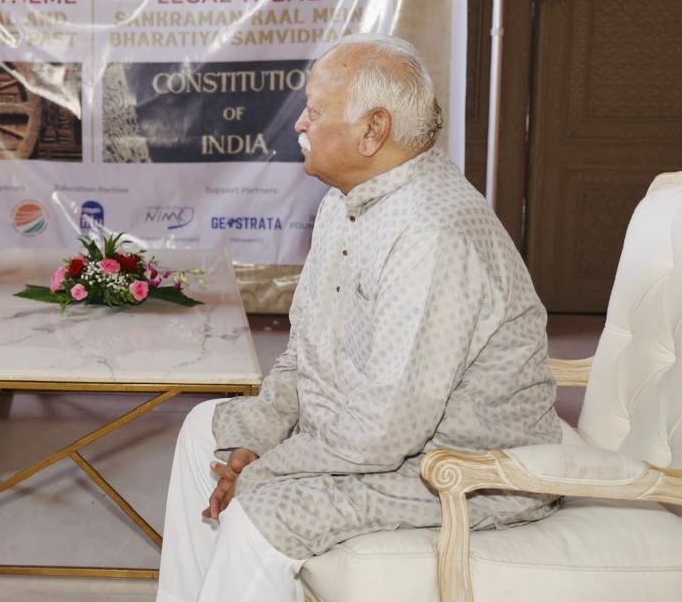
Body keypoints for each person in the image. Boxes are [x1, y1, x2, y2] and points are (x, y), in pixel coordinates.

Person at [156, 35, 562, 602]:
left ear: (373, 130)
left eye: (315, 111)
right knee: (207, 431)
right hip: (372, 438)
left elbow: (384, 433)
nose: (299, 124)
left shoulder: (433, 233)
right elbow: (304, 352)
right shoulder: (343, 202)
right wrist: (257, 435)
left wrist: (267, 466)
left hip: (461, 470)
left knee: (261, 512)